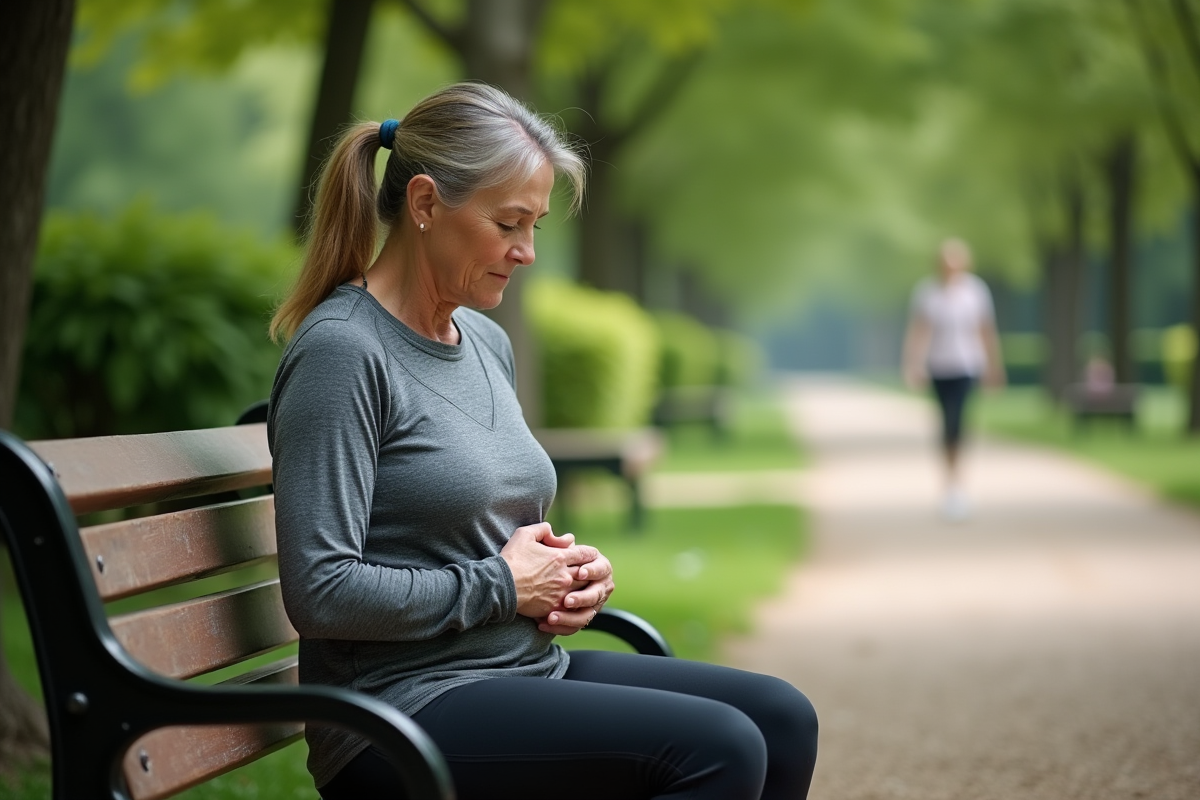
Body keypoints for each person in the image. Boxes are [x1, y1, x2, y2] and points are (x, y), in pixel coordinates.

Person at [266, 82, 818, 800]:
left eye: (536, 226)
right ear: (427, 205)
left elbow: (491, 532)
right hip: (400, 709)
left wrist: (566, 577)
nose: (527, 252)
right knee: (719, 749)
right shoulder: (343, 352)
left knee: (780, 717)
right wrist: (503, 586)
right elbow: (322, 591)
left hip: (517, 668)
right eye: (509, 224)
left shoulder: (485, 342)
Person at [902, 237, 1005, 521]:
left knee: (958, 421)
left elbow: (986, 330)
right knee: (944, 422)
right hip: (939, 367)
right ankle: (950, 482)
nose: (950, 267)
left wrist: (994, 366)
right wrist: (914, 363)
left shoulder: (975, 291)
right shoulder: (926, 293)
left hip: (967, 366)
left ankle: (956, 485)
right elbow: (919, 331)